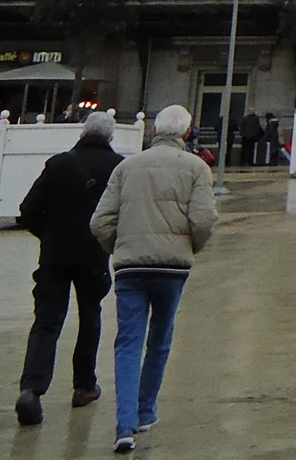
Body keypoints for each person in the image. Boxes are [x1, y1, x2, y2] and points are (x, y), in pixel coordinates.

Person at [90, 105, 217, 455]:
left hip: (131, 267)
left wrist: (119, 248)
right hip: (172, 267)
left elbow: (100, 221)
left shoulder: (126, 167)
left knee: (128, 342)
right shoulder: (196, 168)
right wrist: (191, 247)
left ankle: (124, 427)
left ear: (153, 131)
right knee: (160, 340)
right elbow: (204, 219)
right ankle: (146, 411)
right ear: (187, 133)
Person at [14, 111, 122, 426]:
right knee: (90, 317)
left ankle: (32, 389)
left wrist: (48, 236)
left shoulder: (59, 163)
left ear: (81, 134)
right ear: (111, 138)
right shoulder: (119, 168)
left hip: (54, 256)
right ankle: (84, 386)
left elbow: (27, 211)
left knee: (46, 322)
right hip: (93, 256)